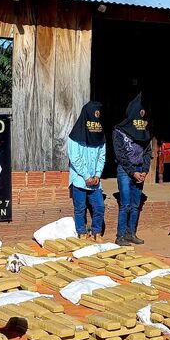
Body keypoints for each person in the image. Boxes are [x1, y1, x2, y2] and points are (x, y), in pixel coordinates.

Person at [112, 93, 153, 246]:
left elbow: (148, 152)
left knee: (136, 205)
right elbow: (120, 155)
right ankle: (120, 236)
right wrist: (132, 172)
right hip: (125, 171)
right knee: (126, 204)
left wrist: (144, 170)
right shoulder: (119, 131)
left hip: (139, 170)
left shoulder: (144, 131)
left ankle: (131, 233)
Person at [67, 101, 106, 242]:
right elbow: (75, 157)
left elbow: (102, 156)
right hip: (79, 179)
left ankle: (97, 232)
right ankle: (82, 233)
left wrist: (97, 174)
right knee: (80, 208)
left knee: (100, 207)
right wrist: (86, 175)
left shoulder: (100, 135)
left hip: (95, 181)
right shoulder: (75, 136)